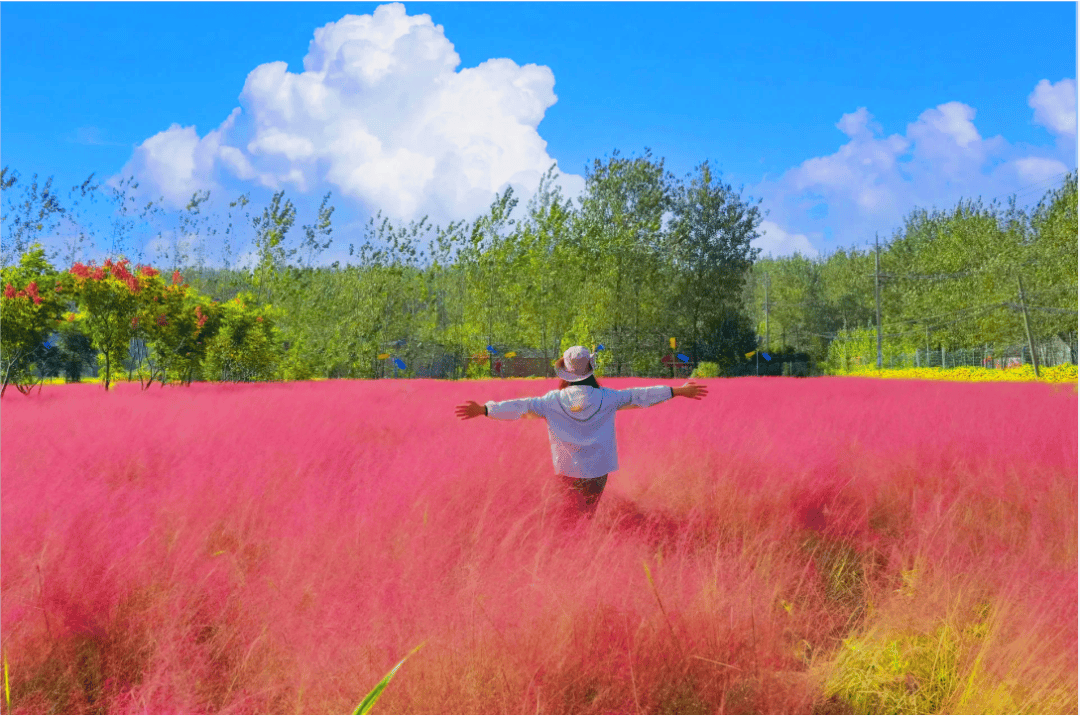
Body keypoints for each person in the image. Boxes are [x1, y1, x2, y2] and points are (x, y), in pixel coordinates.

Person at [455, 345, 709, 519]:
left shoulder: (551, 401)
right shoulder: (608, 397)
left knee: (568, 515)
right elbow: (640, 395)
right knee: (588, 515)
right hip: (598, 471)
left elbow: (519, 406)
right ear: (590, 368)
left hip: (567, 470)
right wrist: (676, 390)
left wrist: (485, 409)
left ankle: (570, 555)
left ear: (565, 371)